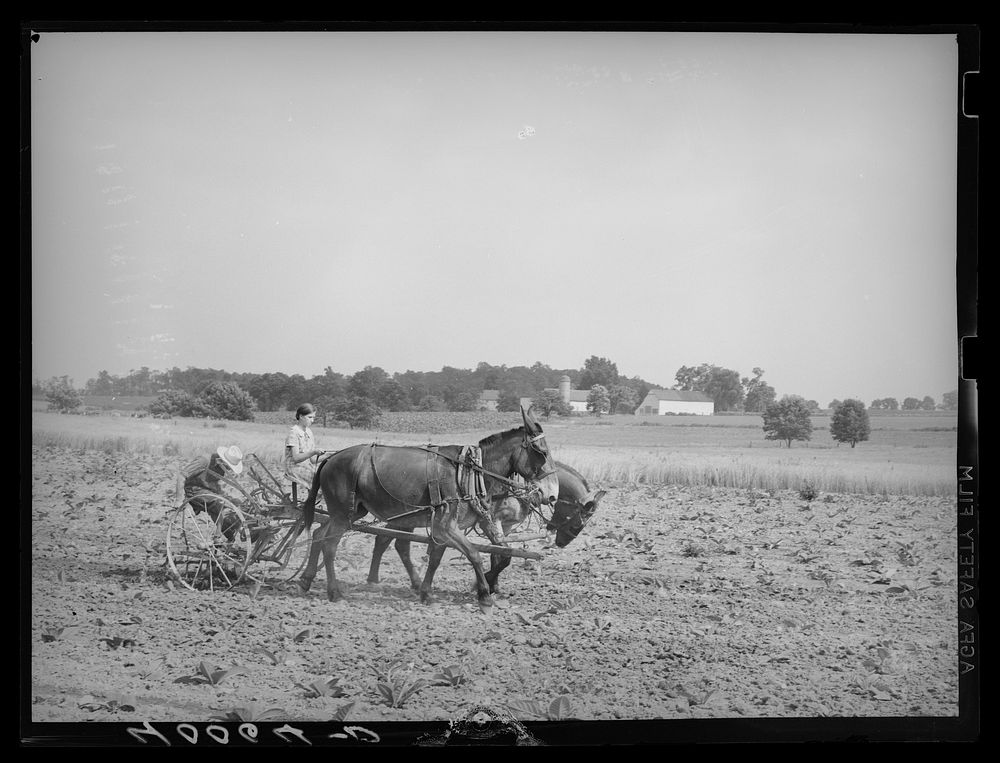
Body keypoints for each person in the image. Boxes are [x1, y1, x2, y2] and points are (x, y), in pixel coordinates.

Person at [180, 445, 244, 540]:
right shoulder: (204, 461)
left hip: (208, 491)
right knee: (220, 502)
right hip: (194, 491)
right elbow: (181, 475)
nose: (229, 469)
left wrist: (228, 498)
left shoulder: (219, 467)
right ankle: (218, 536)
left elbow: (213, 484)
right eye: (228, 466)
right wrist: (178, 499)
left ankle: (227, 533)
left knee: (237, 503)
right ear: (222, 460)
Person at [284, 403, 325, 498]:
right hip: (294, 468)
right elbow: (296, 458)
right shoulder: (293, 433)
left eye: (313, 417)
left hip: (306, 466)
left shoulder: (309, 432)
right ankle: (312, 501)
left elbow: (313, 460)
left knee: (324, 474)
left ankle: (313, 500)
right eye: (310, 417)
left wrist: (327, 456)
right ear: (301, 416)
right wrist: (314, 452)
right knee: (317, 478)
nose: (312, 420)